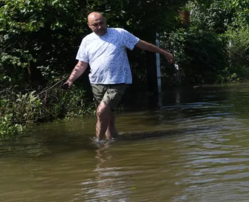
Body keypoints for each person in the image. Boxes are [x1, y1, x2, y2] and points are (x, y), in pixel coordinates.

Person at [62, 12, 175, 141]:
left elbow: (141, 44)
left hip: (119, 80)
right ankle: (112, 143)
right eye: (95, 25)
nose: (99, 27)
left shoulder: (119, 33)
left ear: (105, 21)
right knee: (107, 116)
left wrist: (163, 52)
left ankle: (99, 144)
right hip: (97, 82)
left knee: (101, 111)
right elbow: (81, 64)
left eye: (101, 23)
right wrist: (70, 80)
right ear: (89, 26)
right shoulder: (87, 41)